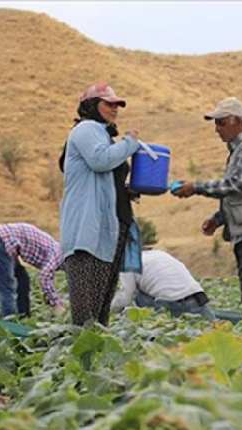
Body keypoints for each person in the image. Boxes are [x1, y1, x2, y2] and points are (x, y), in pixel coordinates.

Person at [173, 98, 242, 327]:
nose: (217, 129)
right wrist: (219, 219)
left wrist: (196, 187)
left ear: (237, 121)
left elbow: (238, 184)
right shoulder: (239, 150)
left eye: (221, 122)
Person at [58, 82, 143, 326]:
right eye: (109, 104)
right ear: (91, 106)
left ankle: (94, 358)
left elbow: (105, 177)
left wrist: (126, 190)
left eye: (117, 105)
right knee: (87, 313)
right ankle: (82, 359)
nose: (115, 108)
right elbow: (98, 160)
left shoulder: (102, 135)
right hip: (89, 234)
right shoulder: (87, 128)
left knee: (101, 308)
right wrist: (130, 143)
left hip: (109, 231)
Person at [0, 222, 66, 319]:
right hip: (2, 239)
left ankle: (24, 316)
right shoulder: (60, 256)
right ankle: (9, 320)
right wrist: (56, 304)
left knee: (23, 279)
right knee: (7, 284)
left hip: (10, 243)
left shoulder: (59, 251)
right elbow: (45, 276)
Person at [111, 247, 215, 320]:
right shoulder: (159, 254)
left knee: (136, 295)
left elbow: (125, 297)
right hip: (198, 298)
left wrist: (108, 311)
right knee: (213, 328)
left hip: (172, 303)